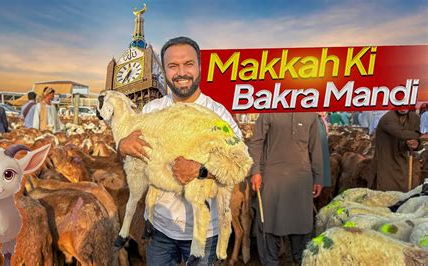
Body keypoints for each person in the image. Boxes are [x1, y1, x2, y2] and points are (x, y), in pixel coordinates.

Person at [118, 36, 242, 265]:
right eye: (173, 66)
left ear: (200, 68)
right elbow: (131, 154)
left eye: (188, 64)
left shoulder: (219, 115)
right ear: (164, 71)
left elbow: (237, 165)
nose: (181, 72)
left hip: (202, 234)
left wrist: (200, 170)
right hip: (158, 228)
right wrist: (122, 146)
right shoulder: (152, 109)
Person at [248, 112, 323, 265]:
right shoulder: (269, 111)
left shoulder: (311, 115)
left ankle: (301, 260)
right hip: (271, 178)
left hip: (301, 179)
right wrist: (255, 171)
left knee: (302, 225)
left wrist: (319, 177)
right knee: (269, 223)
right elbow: (256, 143)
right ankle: (270, 261)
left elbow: (316, 148)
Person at [371, 110, 422, 192]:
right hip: (387, 162)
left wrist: (416, 143)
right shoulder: (387, 118)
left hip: (404, 162)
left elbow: (416, 141)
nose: (403, 107)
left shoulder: (414, 117)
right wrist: (420, 135)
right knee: (387, 194)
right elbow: (401, 133)